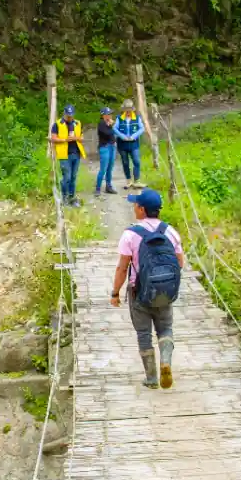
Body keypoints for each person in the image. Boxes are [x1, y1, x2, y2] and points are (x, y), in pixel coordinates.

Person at [110, 189, 184, 389]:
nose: (134, 208)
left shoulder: (130, 234)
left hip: (139, 294)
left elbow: (122, 267)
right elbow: (180, 263)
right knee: (166, 329)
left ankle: (151, 378)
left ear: (142, 209)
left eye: (136, 205)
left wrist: (115, 292)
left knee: (144, 334)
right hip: (166, 293)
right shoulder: (170, 231)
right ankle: (166, 362)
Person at [49, 105, 85, 206]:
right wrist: (65, 139)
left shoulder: (77, 123)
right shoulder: (57, 124)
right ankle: (64, 197)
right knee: (67, 177)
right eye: (68, 115)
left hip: (76, 154)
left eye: (71, 115)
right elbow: (53, 138)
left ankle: (72, 197)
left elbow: (82, 138)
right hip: (64, 155)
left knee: (73, 177)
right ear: (64, 114)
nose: (70, 117)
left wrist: (76, 138)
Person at [115, 99, 145, 190]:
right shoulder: (119, 118)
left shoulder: (137, 118)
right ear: (124, 110)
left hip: (133, 144)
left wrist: (134, 136)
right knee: (125, 162)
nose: (128, 112)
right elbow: (115, 129)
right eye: (126, 110)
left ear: (132, 110)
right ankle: (128, 180)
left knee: (136, 161)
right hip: (122, 145)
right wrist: (122, 136)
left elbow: (142, 128)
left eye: (129, 110)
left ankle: (137, 181)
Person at [94, 107, 118, 196]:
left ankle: (108, 186)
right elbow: (108, 133)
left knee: (110, 168)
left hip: (112, 147)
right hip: (104, 147)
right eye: (108, 114)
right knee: (103, 168)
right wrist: (111, 125)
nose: (110, 115)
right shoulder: (101, 124)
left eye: (111, 114)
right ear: (104, 115)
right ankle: (98, 188)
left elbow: (114, 134)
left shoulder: (109, 123)